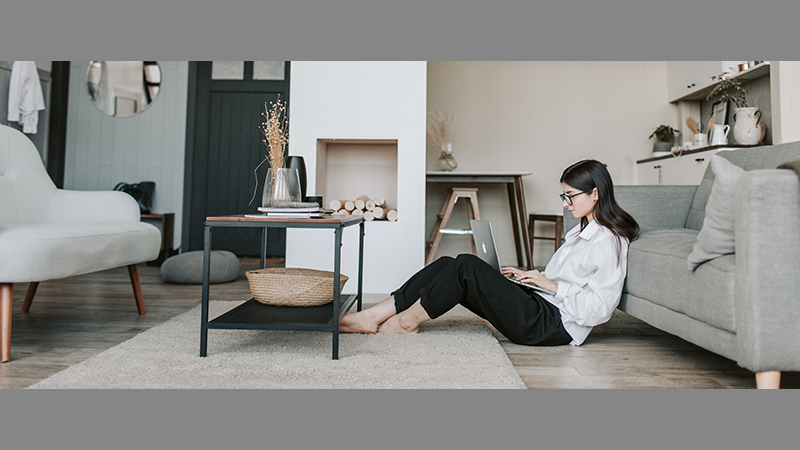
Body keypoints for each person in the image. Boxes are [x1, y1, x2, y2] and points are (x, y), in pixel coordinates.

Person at [339, 159, 640, 346]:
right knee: (448, 263)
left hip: (553, 326)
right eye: (564, 195)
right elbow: (565, 281)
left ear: (595, 194)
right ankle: (375, 314)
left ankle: (406, 323)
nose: (565, 203)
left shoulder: (609, 242)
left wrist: (550, 285)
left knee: (466, 266)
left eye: (570, 196)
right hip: (541, 305)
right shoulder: (581, 231)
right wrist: (531, 278)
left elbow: (600, 309)